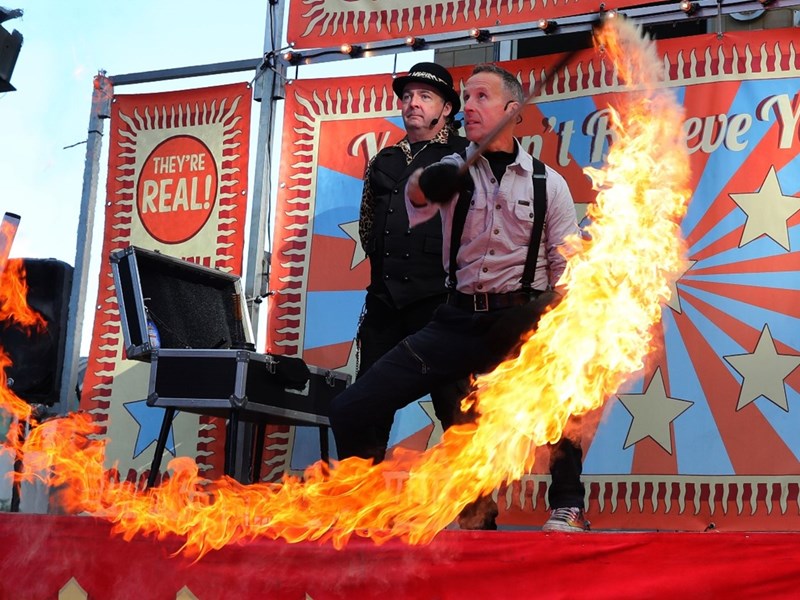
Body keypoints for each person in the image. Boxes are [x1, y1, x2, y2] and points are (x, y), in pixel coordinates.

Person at [331, 63, 587, 533]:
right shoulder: (447, 169)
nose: (468, 106)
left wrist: (545, 318)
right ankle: (365, 510)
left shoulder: (548, 184)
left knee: (560, 389)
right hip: (456, 321)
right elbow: (417, 195)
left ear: (513, 112)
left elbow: (566, 267)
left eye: (482, 97)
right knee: (350, 408)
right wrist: (428, 185)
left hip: (521, 318)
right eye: (465, 98)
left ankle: (568, 505)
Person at [355, 62, 471, 463]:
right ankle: (357, 506)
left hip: (440, 305)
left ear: (446, 108)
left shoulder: (465, 156)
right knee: (367, 407)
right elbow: (369, 225)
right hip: (385, 306)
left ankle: (480, 517)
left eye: (424, 96)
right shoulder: (383, 160)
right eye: (406, 96)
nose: (412, 103)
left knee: (457, 408)